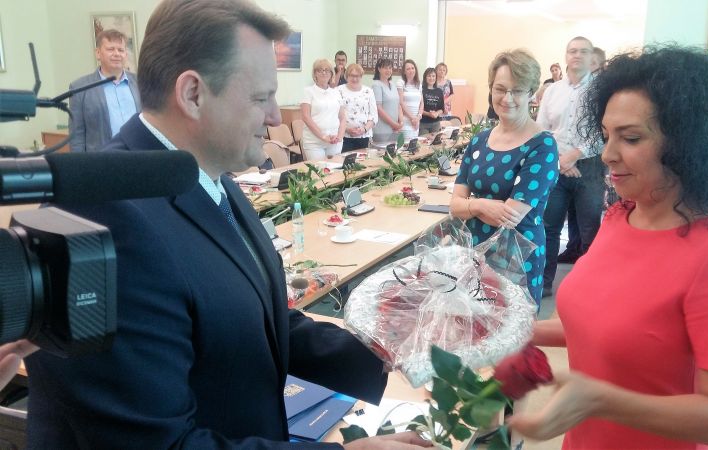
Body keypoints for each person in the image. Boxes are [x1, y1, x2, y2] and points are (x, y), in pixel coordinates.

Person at [24, 1, 432, 449]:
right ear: (193, 94)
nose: (275, 116)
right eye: (260, 98)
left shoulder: (210, 176)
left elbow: (256, 320)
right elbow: (153, 442)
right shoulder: (104, 212)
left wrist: (389, 347)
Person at [502, 46, 708, 449]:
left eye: (630, 138)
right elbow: (599, 328)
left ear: (686, 142)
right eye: (607, 136)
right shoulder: (619, 218)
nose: (608, 154)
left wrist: (600, 401)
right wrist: (510, 329)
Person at [449, 49, 558, 305]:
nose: (507, 98)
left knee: (511, 326)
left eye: (517, 90)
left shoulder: (542, 145)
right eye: (500, 89)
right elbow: (454, 206)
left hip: (517, 259)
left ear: (531, 93)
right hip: (473, 253)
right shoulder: (479, 141)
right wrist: (480, 205)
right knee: (471, 323)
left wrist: (469, 206)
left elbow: (509, 217)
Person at [537, 36, 606, 298]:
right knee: (549, 227)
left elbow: (604, 131)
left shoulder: (602, 91)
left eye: (583, 51)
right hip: (556, 167)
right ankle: (544, 283)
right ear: (566, 56)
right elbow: (542, 130)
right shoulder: (552, 91)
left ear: (591, 57)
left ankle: (590, 288)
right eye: (572, 51)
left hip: (589, 167)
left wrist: (575, 155)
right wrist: (560, 161)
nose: (577, 55)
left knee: (590, 230)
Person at [68, 29, 141, 152]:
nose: (117, 54)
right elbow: (76, 136)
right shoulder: (80, 88)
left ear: (126, 55)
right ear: (98, 53)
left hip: (138, 155)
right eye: (111, 49)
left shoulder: (140, 83)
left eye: (121, 50)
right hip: (102, 159)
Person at [300, 58, 346, 161]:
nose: (324, 73)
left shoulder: (336, 92)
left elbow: (342, 118)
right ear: (315, 73)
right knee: (319, 170)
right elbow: (306, 117)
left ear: (331, 73)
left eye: (327, 70)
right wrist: (323, 137)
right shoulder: (308, 91)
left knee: (335, 169)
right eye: (320, 70)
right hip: (314, 143)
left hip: (334, 141)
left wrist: (339, 137)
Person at [337, 63, 378, 152]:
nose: (355, 79)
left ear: (361, 76)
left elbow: (374, 115)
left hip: (364, 136)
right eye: (352, 75)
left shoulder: (369, 91)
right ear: (347, 76)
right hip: (344, 136)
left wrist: (364, 129)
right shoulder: (339, 90)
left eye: (357, 76)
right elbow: (335, 114)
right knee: (345, 160)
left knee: (363, 160)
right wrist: (346, 129)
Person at [372, 58, 402, 145]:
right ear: (379, 69)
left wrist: (400, 122)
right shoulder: (376, 85)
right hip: (382, 129)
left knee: (394, 151)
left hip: (395, 129)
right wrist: (394, 124)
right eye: (385, 68)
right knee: (382, 152)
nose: (388, 70)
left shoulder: (393, 84)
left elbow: (398, 105)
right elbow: (379, 109)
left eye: (390, 68)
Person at [397, 59, 423, 140]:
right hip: (405, 121)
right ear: (404, 72)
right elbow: (400, 102)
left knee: (414, 145)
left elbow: (422, 103)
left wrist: (418, 117)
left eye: (412, 68)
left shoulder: (419, 84)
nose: (411, 70)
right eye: (408, 69)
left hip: (416, 122)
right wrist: (412, 118)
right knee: (404, 145)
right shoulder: (401, 82)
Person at [420, 67, 444, 135]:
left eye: (433, 76)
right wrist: (428, 114)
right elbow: (418, 108)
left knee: (436, 141)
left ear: (436, 78)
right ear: (425, 77)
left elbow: (442, 108)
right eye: (429, 76)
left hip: (436, 123)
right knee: (424, 141)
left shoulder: (439, 91)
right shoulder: (421, 90)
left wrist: (436, 113)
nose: (431, 78)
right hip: (423, 123)